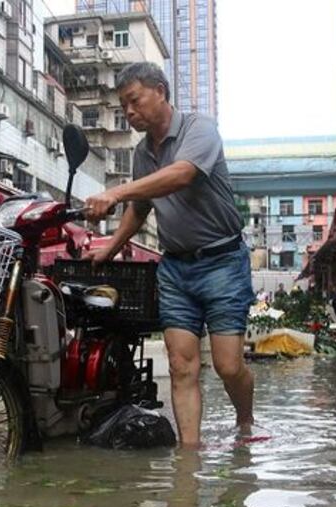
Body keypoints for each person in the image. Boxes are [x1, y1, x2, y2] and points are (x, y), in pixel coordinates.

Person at [84, 62, 254, 446]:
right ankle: (189, 457)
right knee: (181, 366)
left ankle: (245, 421)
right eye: (123, 106)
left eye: (134, 101)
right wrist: (110, 249)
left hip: (223, 261)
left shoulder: (200, 129)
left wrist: (115, 192)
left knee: (229, 366)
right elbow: (141, 207)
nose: (128, 113)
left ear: (160, 91)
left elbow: (182, 174)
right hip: (176, 267)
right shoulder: (143, 154)